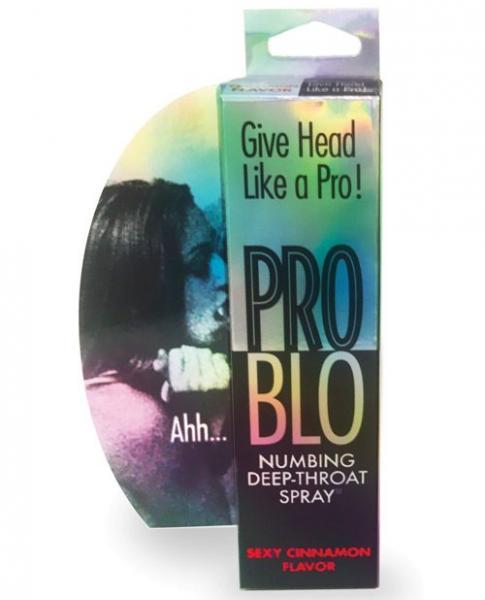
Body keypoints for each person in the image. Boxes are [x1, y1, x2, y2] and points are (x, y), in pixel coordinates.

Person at [79, 179, 235, 526]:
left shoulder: (113, 383)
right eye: (199, 262)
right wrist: (214, 417)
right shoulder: (137, 424)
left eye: (218, 251)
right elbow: (220, 536)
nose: (225, 274)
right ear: (141, 289)